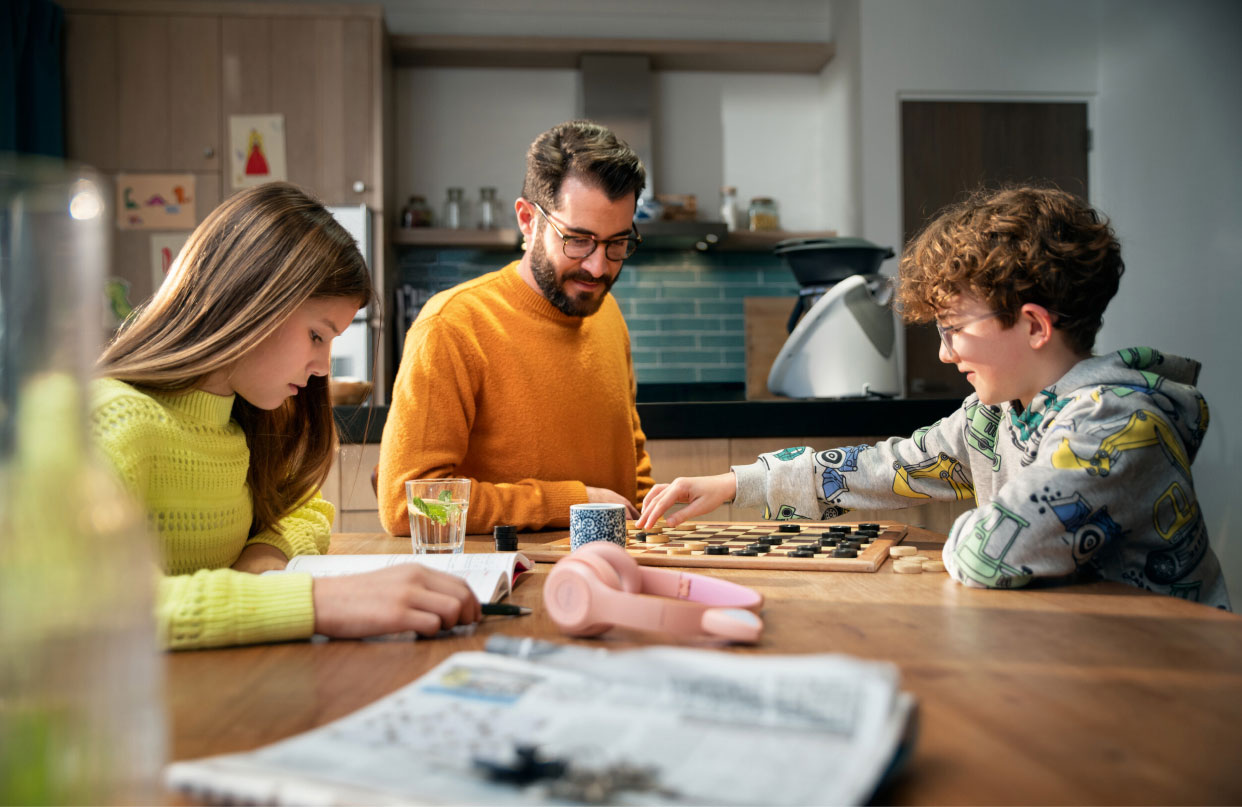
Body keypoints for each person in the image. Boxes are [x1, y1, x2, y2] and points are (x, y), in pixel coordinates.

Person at [638, 186, 1230, 610]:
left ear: (1032, 326)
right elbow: (885, 468)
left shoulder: (1113, 426)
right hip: (1072, 652)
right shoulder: (996, 415)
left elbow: (993, 552)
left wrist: (967, 529)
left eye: (954, 329)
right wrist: (736, 485)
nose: (946, 354)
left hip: (1166, 676)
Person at [92, 182, 482, 651]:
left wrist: (262, 558)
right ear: (250, 302)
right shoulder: (112, 421)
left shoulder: (242, 420)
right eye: (318, 336)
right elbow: (92, 607)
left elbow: (307, 510)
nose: (322, 367)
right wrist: (316, 601)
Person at [378, 120, 655, 535]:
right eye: (578, 239)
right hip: (507, 585)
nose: (599, 267)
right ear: (528, 220)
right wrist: (572, 503)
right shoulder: (451, 325)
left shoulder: (607, 313)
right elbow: (410, 505)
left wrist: (655, 513)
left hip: (610, 576)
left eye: (617, 243)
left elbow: (631, 463)